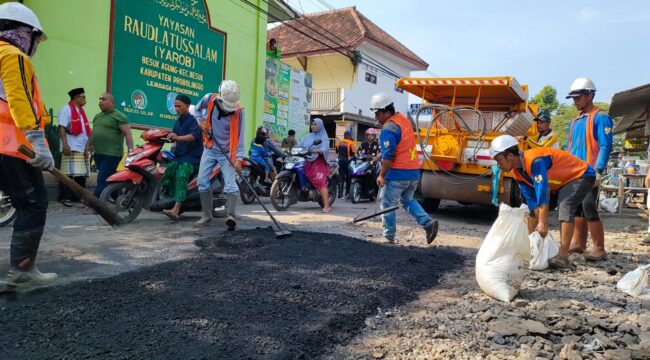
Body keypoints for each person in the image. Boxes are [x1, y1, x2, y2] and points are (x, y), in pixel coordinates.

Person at [0, 2, 57, 291]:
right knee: (32, 204)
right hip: (10, 146)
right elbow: (18, 98)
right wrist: (38, 142)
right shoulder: (12, 55)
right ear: (24, 33)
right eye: (35, 39)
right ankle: (22, 271)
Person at [490, 135, 596, 269]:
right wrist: (537, 228)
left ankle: (562, 257)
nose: (498, 165)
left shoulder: (535, 160)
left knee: (565, 206)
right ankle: (529, 248)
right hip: (561, 182)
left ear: (510, 155)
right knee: (531, 212)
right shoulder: (518, 173)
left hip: (581, 174)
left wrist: (543, 223)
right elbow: (532, 200)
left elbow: (542, 190)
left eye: (499, 160)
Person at [371, 92, 438, 244]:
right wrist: (380, 156)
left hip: (397, 174)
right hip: (413, 173)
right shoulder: (403, 120)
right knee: (407, 200)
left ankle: (388, 237)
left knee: (387, 205)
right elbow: (400, 146)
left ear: (386, 112)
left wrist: (381, 175)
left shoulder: (388, 127)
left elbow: (390, 157)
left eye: (377, 113)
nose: (376, 117)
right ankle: (428, 223)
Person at [565, 77, 613, 261]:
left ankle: (599, 249)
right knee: (576, 207)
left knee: (588, 206)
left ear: (590, 95)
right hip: (574, 172)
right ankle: (578, 243)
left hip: (591, 171)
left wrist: (599, 170)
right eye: (574, 98)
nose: (575, 101)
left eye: (578, 97)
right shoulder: (575, 121)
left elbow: (604, 146)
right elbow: (570, 148)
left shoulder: (601, 118)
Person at [193, 80, 245, 229]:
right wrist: (200, 122)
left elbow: (241, 136)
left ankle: (231, 216)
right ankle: (206, 215)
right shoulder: (209, 98)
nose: (229, 110)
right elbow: (196, 110)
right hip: (210, 147)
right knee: (202, 182)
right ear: (220, 98)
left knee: (230, 185)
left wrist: (239, 158)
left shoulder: (240, 111)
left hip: (227, 152)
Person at [161, 94, 203, 221]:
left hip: (192, 158)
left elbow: (194, 136)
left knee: (181, 174)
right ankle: (169, 200)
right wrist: (171, 135)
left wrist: (178, 137)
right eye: (175, 106)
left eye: (179, 106)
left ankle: (176, 209)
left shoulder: (194, 120)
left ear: (187, 106)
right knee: (167, 172)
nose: (176, 109)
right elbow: (175, 134)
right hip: (179, 156)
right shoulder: (177, 122)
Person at [87, 93, 134, 198]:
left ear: (111, 102)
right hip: (98, 153)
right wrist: (88, 144)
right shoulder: (97, 116)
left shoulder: (120, 117)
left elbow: (128, 134)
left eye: (103, 99)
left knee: (102, 178)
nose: (100, 101)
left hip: (112, 154)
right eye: (100, 99)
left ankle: (96, 205)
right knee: (109, 176)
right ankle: (120, 199)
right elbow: (94, 132)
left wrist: (131, 151)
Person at [57, 87, 91, 207]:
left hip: (82, 147)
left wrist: (88, 146)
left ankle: (78, 197)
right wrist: (65, 144)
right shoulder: (66, 109)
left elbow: (85, 131)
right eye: (83, 97)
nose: (85, 99)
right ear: (76, 97)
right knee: (68, 173)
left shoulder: (82, 112)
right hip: (70, 146)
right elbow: (61, 127)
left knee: (81, 174)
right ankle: (65, 197)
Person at [297, 118, 332, 213]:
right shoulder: (307, 136)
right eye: (312, 124)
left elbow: (325, 147)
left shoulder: (323, 137)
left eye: (315, 124)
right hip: (307, 159)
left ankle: (326, 205)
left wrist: (320, 150)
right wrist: (292, 148)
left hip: (318, 161)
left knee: (320, 181)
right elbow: (299, 144)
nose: (313, 126)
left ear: (320, 125)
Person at [336, 130, 356, 199]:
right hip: (347, 161)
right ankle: (347, 193)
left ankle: (340, 194)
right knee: (348, 177)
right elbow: (353, 153)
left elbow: (336, 151)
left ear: (344, 135)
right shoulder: (351, 142)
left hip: (340, 161)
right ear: (349, 136)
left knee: (341, 177)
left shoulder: (339, 142)